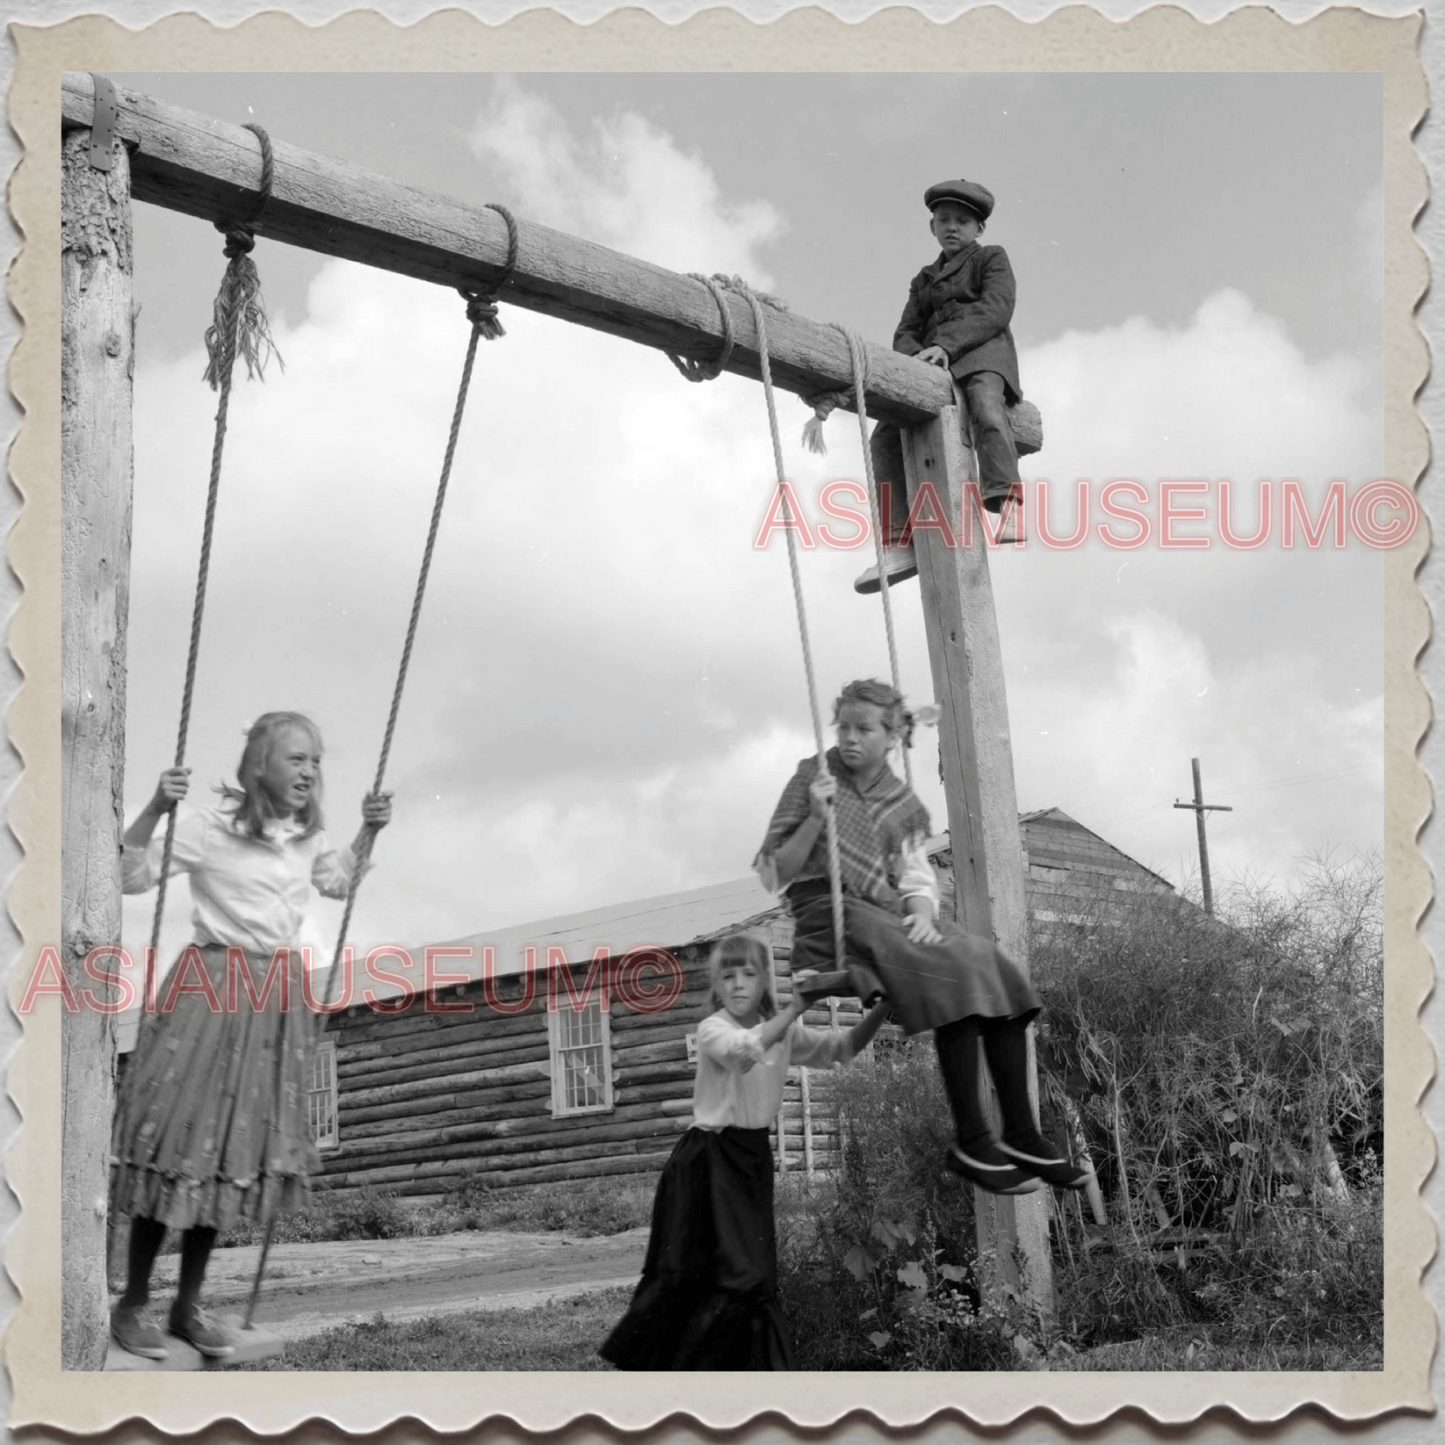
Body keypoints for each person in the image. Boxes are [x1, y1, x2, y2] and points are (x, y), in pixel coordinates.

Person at [108, 712, 392, 1361]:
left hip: (275, 997)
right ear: (258, 763)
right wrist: (156, 804)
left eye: (315, 760)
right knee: (178, 1141)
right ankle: (132, 1304)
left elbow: (337, 881)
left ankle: (186, 1308)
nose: (310, 770)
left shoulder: (303, 837)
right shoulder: (208, 828)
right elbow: (130, 875)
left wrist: (367, 830)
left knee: (231, 1151)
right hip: (211, 984)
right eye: (296, 758)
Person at [754, 678, 1090, 1197]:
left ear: (891, 736)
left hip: (887, 910)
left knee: (989, 965)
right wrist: (815, 822)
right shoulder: (811, 779)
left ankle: (1021, 1133)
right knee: (945, 974)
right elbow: (775, 873)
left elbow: (915, 877)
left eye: (864, 728)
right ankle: (973, 1139)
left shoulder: (898, 801)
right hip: (830, 911)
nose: (850, 737)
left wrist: (922, 913)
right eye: (843, 726)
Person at [599, 931, 888, 1370]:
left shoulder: (786, 1033)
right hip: (706, 1162)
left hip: (750, 1160)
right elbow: (743, 1054)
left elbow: (841, 1049)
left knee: (751, 1280)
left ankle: (745, 1386)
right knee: (708, 1278)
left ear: (763, 983)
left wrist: (884, 1008)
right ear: (717, 985)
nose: (737, 984)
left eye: (748, 974)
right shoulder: (712, 1028)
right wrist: (798, 1004)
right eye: (727, 975)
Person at [856, 178, 1025, 594]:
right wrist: (918, 359)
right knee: (885, 438)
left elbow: (996, 309)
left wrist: (945, 345)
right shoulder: (924, 278)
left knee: (986, 406)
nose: (953, 227)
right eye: (944, 220)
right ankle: (899, 543)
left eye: (963, 221)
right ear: (932, 226)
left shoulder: (991, 258)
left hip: (980, 356)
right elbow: (905, 329)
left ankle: (1007, 505)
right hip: (933, 366)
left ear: (979, 228)